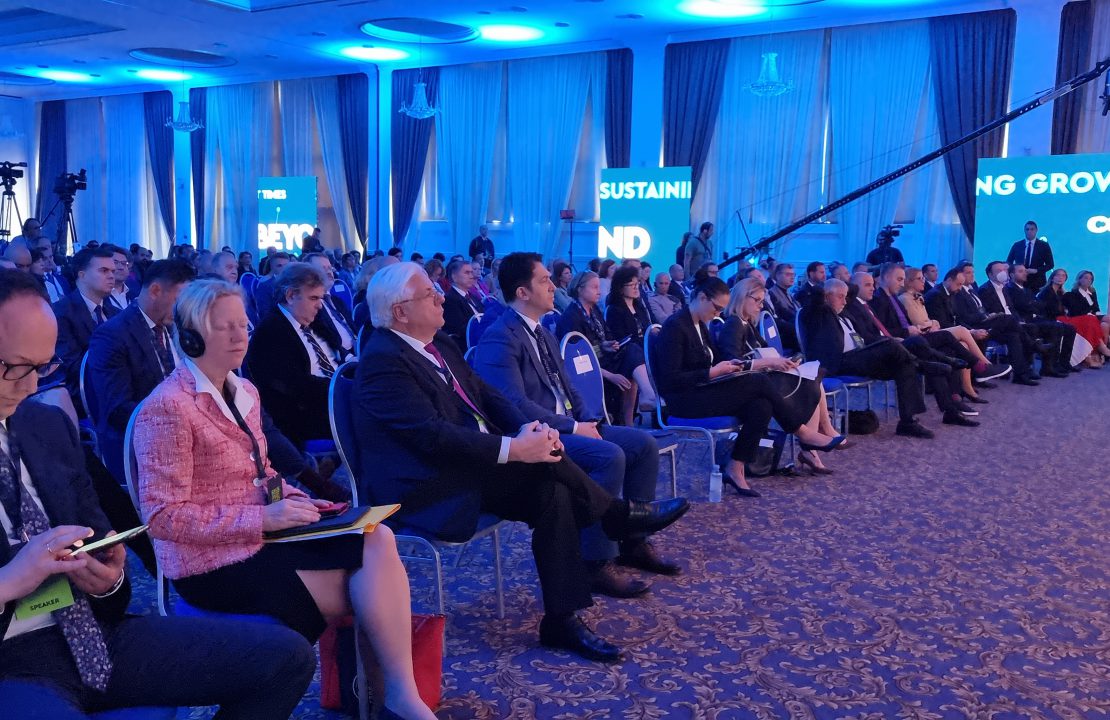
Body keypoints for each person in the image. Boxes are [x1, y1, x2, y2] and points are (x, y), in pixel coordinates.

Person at [0, 269, 318, 720]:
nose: (32, 386)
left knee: (286, 658)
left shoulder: (44, 425)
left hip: (88, 633)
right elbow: (167, 513)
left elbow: (101, 541)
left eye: (42, 368)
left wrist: (109, 577)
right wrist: (11, 581)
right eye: (14, 368)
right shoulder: (167, 403)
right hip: (12, 657)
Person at [355, 262, 688, 662]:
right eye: (430, 293)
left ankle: (562, 617)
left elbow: (487, 395)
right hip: (424, 486)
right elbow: (432, 438)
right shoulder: (383, 362)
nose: (441, 297)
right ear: (400, 312)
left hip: (468, 465)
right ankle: (613, 515)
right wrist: (514, 449)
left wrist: (528, 429)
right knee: (543, 467)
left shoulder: (436, 342)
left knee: (552, 490)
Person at [132, 278, 432, 720]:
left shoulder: (243, 391)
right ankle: (391, 699)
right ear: (191, 337)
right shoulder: (169, 408)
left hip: (266, 537)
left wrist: (293, 497)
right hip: (211, 564)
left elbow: (262, 473)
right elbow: (163, 518)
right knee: (368, 587)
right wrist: (263, 519)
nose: (240, 336)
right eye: (225, 327)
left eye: (243, 325)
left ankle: (397, 697)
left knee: (378, 537)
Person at [474, 253, 681, 597]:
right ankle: (595, 562)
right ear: (522, 292)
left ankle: (633, 541)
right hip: (538, 434)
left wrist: (587, 420)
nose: (553, 287)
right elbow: (513, 404)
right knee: (609, 455)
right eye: (544, 280)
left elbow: (568, 387)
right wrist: (572, 428)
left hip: (570, 424)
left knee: (643, 445)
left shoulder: (543, 332)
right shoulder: (500, 337)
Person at [656, 277, 842, 495]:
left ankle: (736, 466)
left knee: (761, 405)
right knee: (758, 381)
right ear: (702, 298)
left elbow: (709, 363)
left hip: (701, 389)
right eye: (717, 308)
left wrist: (728, 367)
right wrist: (713, 372)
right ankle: (801, 431)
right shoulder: (676, 326)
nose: (718, 314)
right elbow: (669, 380)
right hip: (683, 400)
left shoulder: (699, 325)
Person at [717, 278, 840, 475]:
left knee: (813, 376)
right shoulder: (734, 324)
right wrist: (771, 363)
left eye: (762, 301)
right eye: (757, 300)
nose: (761, 306)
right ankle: (813, 442)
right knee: (810, 382)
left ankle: (816, 439)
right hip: (749, 383)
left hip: (762, 377)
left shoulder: (746, 324)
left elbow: (765, 351)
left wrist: (784, 361)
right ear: (742, 298)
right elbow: (732, 362)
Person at [799, 279, 936, 439]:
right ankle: (922, 365)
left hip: (859, 355)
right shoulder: (817, 313)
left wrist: (840, 289)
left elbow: (853, 289)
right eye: (840, 297)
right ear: (826, 296)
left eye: (845, 297)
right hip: (838, 362)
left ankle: (908, 422)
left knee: (903, 364)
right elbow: (813, 295)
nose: (844, 301)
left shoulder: (843, 314)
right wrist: (826, 289)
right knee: (891, 345)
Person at [844, 273, 979, 428]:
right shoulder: (854, 306)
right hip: (880, 350)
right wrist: (893, 339)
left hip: (893, 345)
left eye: (872, 284)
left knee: (933, 354)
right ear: (854, 287)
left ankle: (949, 409)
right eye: (867, 285)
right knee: (923, 348)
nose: (872, 288)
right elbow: (864, 336)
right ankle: (944, 366)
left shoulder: (867, 305)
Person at [246, 264, 347, 448]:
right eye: (313, 298)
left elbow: (339, 353)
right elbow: (295, 387)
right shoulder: (271, 332)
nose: (320, 305)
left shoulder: (314, 322)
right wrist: (343, 388)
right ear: (291, 296)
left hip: (336, 397)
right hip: (310, 412)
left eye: (321, 298)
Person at [872, 263, 1010, 396]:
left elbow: (917, 322)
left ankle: (963, 390)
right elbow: (885, 331)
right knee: (957, 333)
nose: (902, 283)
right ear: (886, 278)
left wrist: (929, 324)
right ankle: (983, 366)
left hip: (919, 335)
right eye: (899, 279)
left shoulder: (897, 298)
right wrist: (914, 329)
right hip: (908, 340)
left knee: (962, 343)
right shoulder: (890, 299)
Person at [557, 272, 648, 426]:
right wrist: (610, 375)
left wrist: (605, 345)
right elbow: (577, 359)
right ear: (580, 289)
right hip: (585, 369)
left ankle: (630, 420)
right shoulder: (571, 317)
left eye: (599, 287)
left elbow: (605, 337)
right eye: (594, 287)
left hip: (601, 360)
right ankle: (643, 401)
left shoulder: (594, 311)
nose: (599, 291)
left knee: (632, 352)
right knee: (631, 358)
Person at [937, 264, 1038, 386]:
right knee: (1009, 319)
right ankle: (1033, 345)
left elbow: (986, 309)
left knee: (1014, 335)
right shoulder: (959, 292)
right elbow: (963, 316)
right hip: (975, 325)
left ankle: (1020, 374)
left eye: (973, 272)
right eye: (968, 272)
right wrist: (984, 317)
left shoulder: (972, 288)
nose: (972, 275)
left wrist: (988, 315)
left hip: (985, 322)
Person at [51, 247, 120, 409]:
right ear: (82, 275)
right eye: (104, 270)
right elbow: (71, 366)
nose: (112, 276)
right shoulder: (61, 313)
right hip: (82, 397)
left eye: (113, 271)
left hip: (116, 391)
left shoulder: (116, 313)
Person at [978, 261, 1067, 378]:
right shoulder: (985, 289)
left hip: (1013, 322)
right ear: (990, 274)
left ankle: (1029, 369)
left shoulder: (1003, 288)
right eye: (999, 271)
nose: (1003, 273)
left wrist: (1018, 319)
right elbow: (992, 312)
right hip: (998, 325)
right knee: (1029, 328)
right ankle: (1034, 348)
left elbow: (1011, 308)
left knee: (1023, 331)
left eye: (1004, 270)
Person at [1006, 263, 1078, 375]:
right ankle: (1049, 366)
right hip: (1025, 320)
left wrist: (1032, 304)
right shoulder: (1009, 289)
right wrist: (1032, 305)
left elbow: (1039, 305)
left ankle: (1063, 363)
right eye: (1021, 271)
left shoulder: (1027, 290)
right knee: (1056, 327)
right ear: (1011, 274)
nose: (1025, 273)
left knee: (1070, 328)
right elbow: (1022, 305)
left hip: (1035, 318)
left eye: (1025, 271)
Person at [604, 267, 657, 412]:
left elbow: (646, 329)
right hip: (622, 353)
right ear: (621, 288)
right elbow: (621, 338)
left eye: (637, 284)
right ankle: (648, 394)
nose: (636, 287)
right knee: (634, 349)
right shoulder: (614, 310)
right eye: (631, 285)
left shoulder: (639, 307)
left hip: (642, 350)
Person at [1040, 268, 1110, 367]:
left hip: (1065, 317)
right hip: (1055, 319)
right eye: (1058, 275)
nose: (1060, 278)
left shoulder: (1061, 292)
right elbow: (1053, 311)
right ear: (1052, 277)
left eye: (1063, 276)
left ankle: (1098, 352)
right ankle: (1099, 350)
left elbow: (1095, 307)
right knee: (1091, 319)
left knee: (1103, 324)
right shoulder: (1048, 292)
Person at [304, 253, 356, 359]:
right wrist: (350, 358)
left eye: (329, 268)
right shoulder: (310, 305)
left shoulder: (337, 301)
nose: (329, 272)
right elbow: (325, 339)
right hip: (341, 358)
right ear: (309, 274)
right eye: (323, 268)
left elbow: (353, 328)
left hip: (357, 349)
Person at [441, 258, 485, 351]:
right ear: (454, 277)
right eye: (467, 273)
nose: (472, 276)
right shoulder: (450, 300)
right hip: (466, 347)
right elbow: (458, 330)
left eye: (472, 272)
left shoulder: (473, 297)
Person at [1005, 220, 1053, 293]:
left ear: (1036, 230)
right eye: (1027, 229)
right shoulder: (1017, 245)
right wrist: (1015, 271)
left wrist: (1037, 270)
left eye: (1032, 229)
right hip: (1019, 282)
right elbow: (1009, 262)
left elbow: (1050, 264)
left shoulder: (1044, 246)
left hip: (1037, 282)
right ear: (1024, 230)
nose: (1029, 231)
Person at [252, 251, 292, 321]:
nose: (284, 268)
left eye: (286, 266)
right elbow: (264, 313)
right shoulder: (265, 286)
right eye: (279, 266)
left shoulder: (295, 283)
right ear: (272, 267)